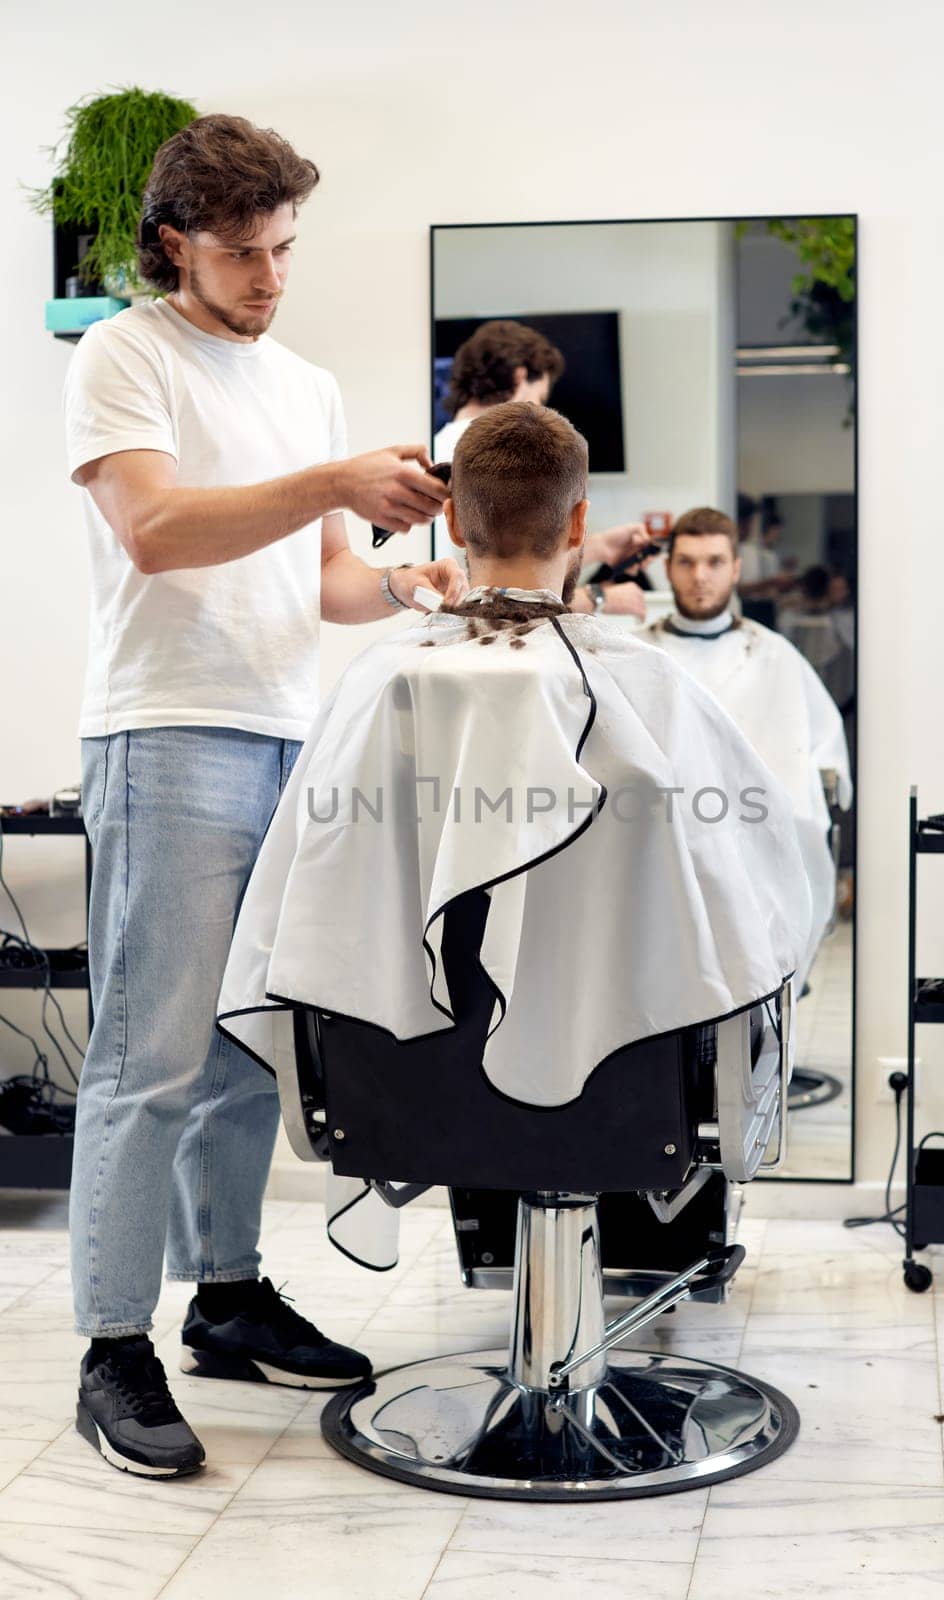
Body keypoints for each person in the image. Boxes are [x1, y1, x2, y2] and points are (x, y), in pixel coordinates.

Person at [64, 113, 466, 1481]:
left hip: (287, 737)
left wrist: (406, 579)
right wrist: (329, 484)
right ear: (176, 243)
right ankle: (112, 1342)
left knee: (245, 1046)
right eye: (243, 251)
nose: (270, 275)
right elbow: (159, 531)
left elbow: (324, 583)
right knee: (149, 1053)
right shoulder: (124, 353)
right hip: (167, 734)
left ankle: (223, 1297)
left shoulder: (301, 384)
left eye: (285, 246)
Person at [216, 404, 812, 1268]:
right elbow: (768, 901)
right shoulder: (645, 687)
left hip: (404, 1092)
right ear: (579, 524)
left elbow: (295, 921)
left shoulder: (379, 689)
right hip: (634, 1100)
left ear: (451, 519)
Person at [638, 507, 851, 985]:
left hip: (759, 843)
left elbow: (826, 752)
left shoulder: (775, 655)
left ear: (736, 568)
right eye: (687, 562)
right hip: (661, 845)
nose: (700, 577)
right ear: (668, 568)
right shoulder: (638, 655)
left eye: (714, 562)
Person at [434, 320, 652, 617]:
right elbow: (495, 597)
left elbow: (516, 548)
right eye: (539, 399)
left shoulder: (436, 448)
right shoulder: (499, 456)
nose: (540, 414)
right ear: (520, 377)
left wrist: (598, 547)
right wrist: (596, 598)